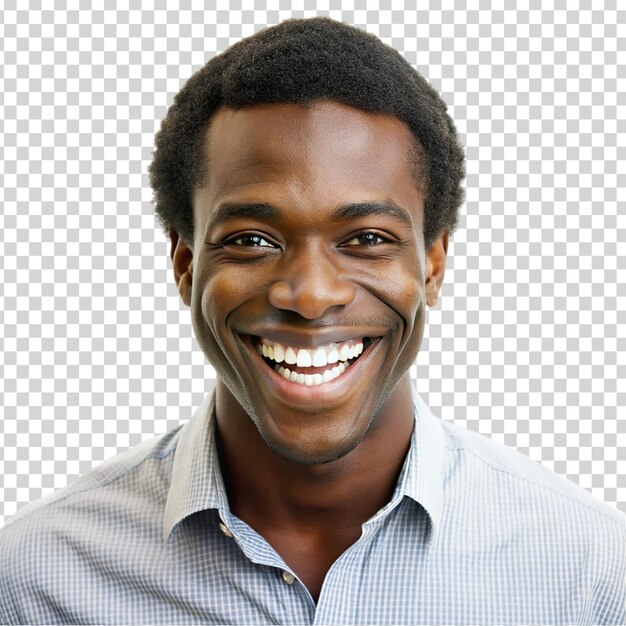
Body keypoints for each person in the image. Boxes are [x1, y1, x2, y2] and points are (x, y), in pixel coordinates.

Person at [0, 17, 623, 625]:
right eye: (251, 239)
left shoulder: (588, 572)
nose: (311, 295)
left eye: (368, 237)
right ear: (186, 264)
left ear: (432, 264)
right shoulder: (38, 580)